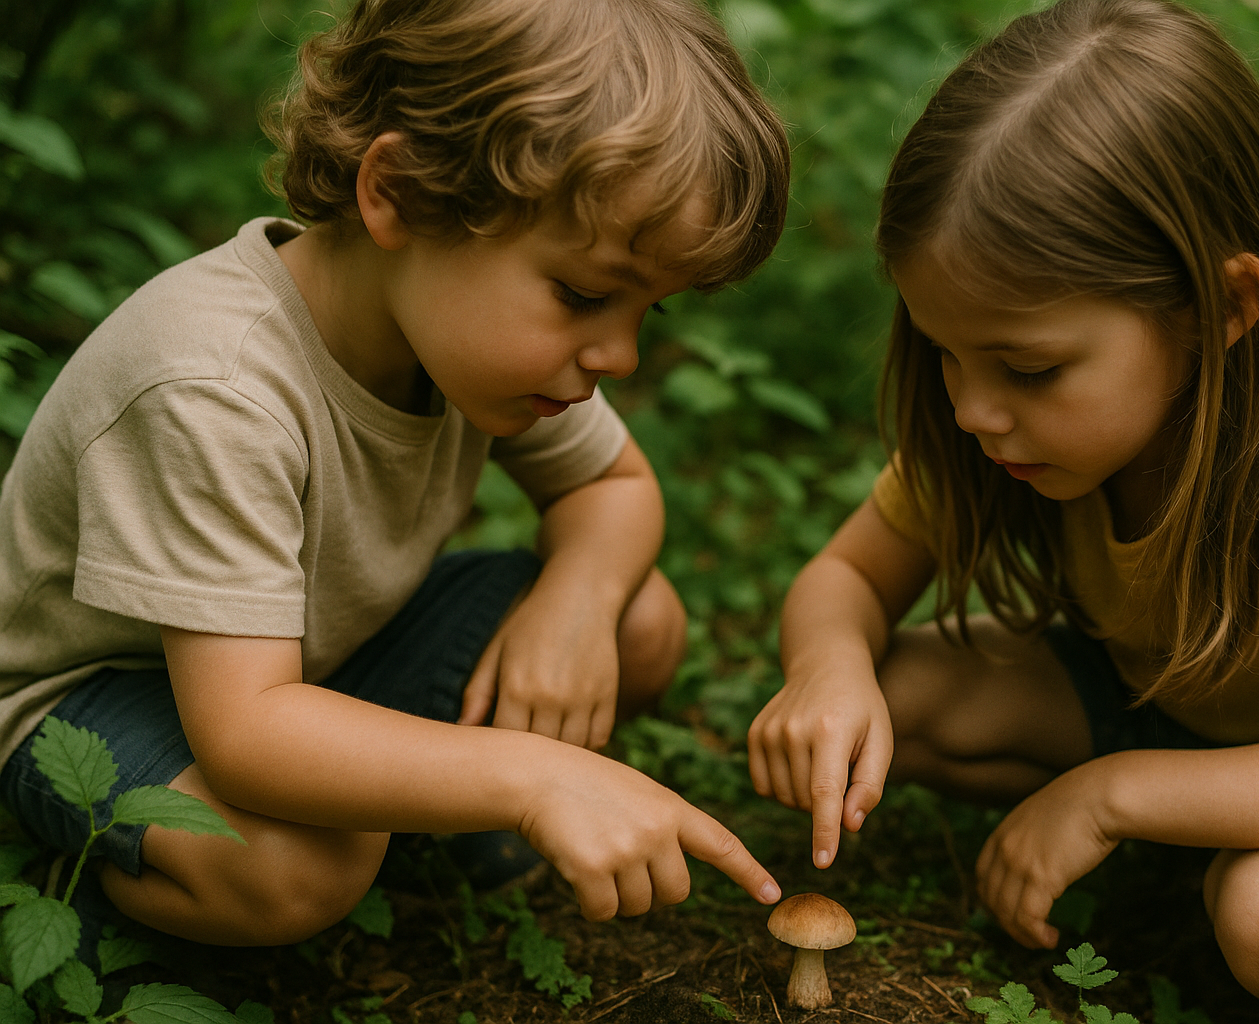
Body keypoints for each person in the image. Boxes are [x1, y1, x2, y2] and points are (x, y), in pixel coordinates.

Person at [747, 1, 1259, 1020]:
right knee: (888, 696)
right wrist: (827, 671)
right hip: (1177, 705)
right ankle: (1192, 837)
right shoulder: (1009, 415)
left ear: (1225, 308)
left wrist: (1111, 797)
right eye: (945, 349)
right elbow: (846, 579)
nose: (973, 407)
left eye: (1030, 367)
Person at [0, 0, 789, 950]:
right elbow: (248, 736)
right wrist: (533, 773)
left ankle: (400, 821)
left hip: (302, 671)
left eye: (644, 312)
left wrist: (573, 604)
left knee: (638, 620)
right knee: (295, 867)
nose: (617, 352)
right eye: (583, 295)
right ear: (401, 195)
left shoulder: (451, 329)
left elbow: (613, 490)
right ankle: (60, 892)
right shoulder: (214, 383)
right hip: (95, 702)